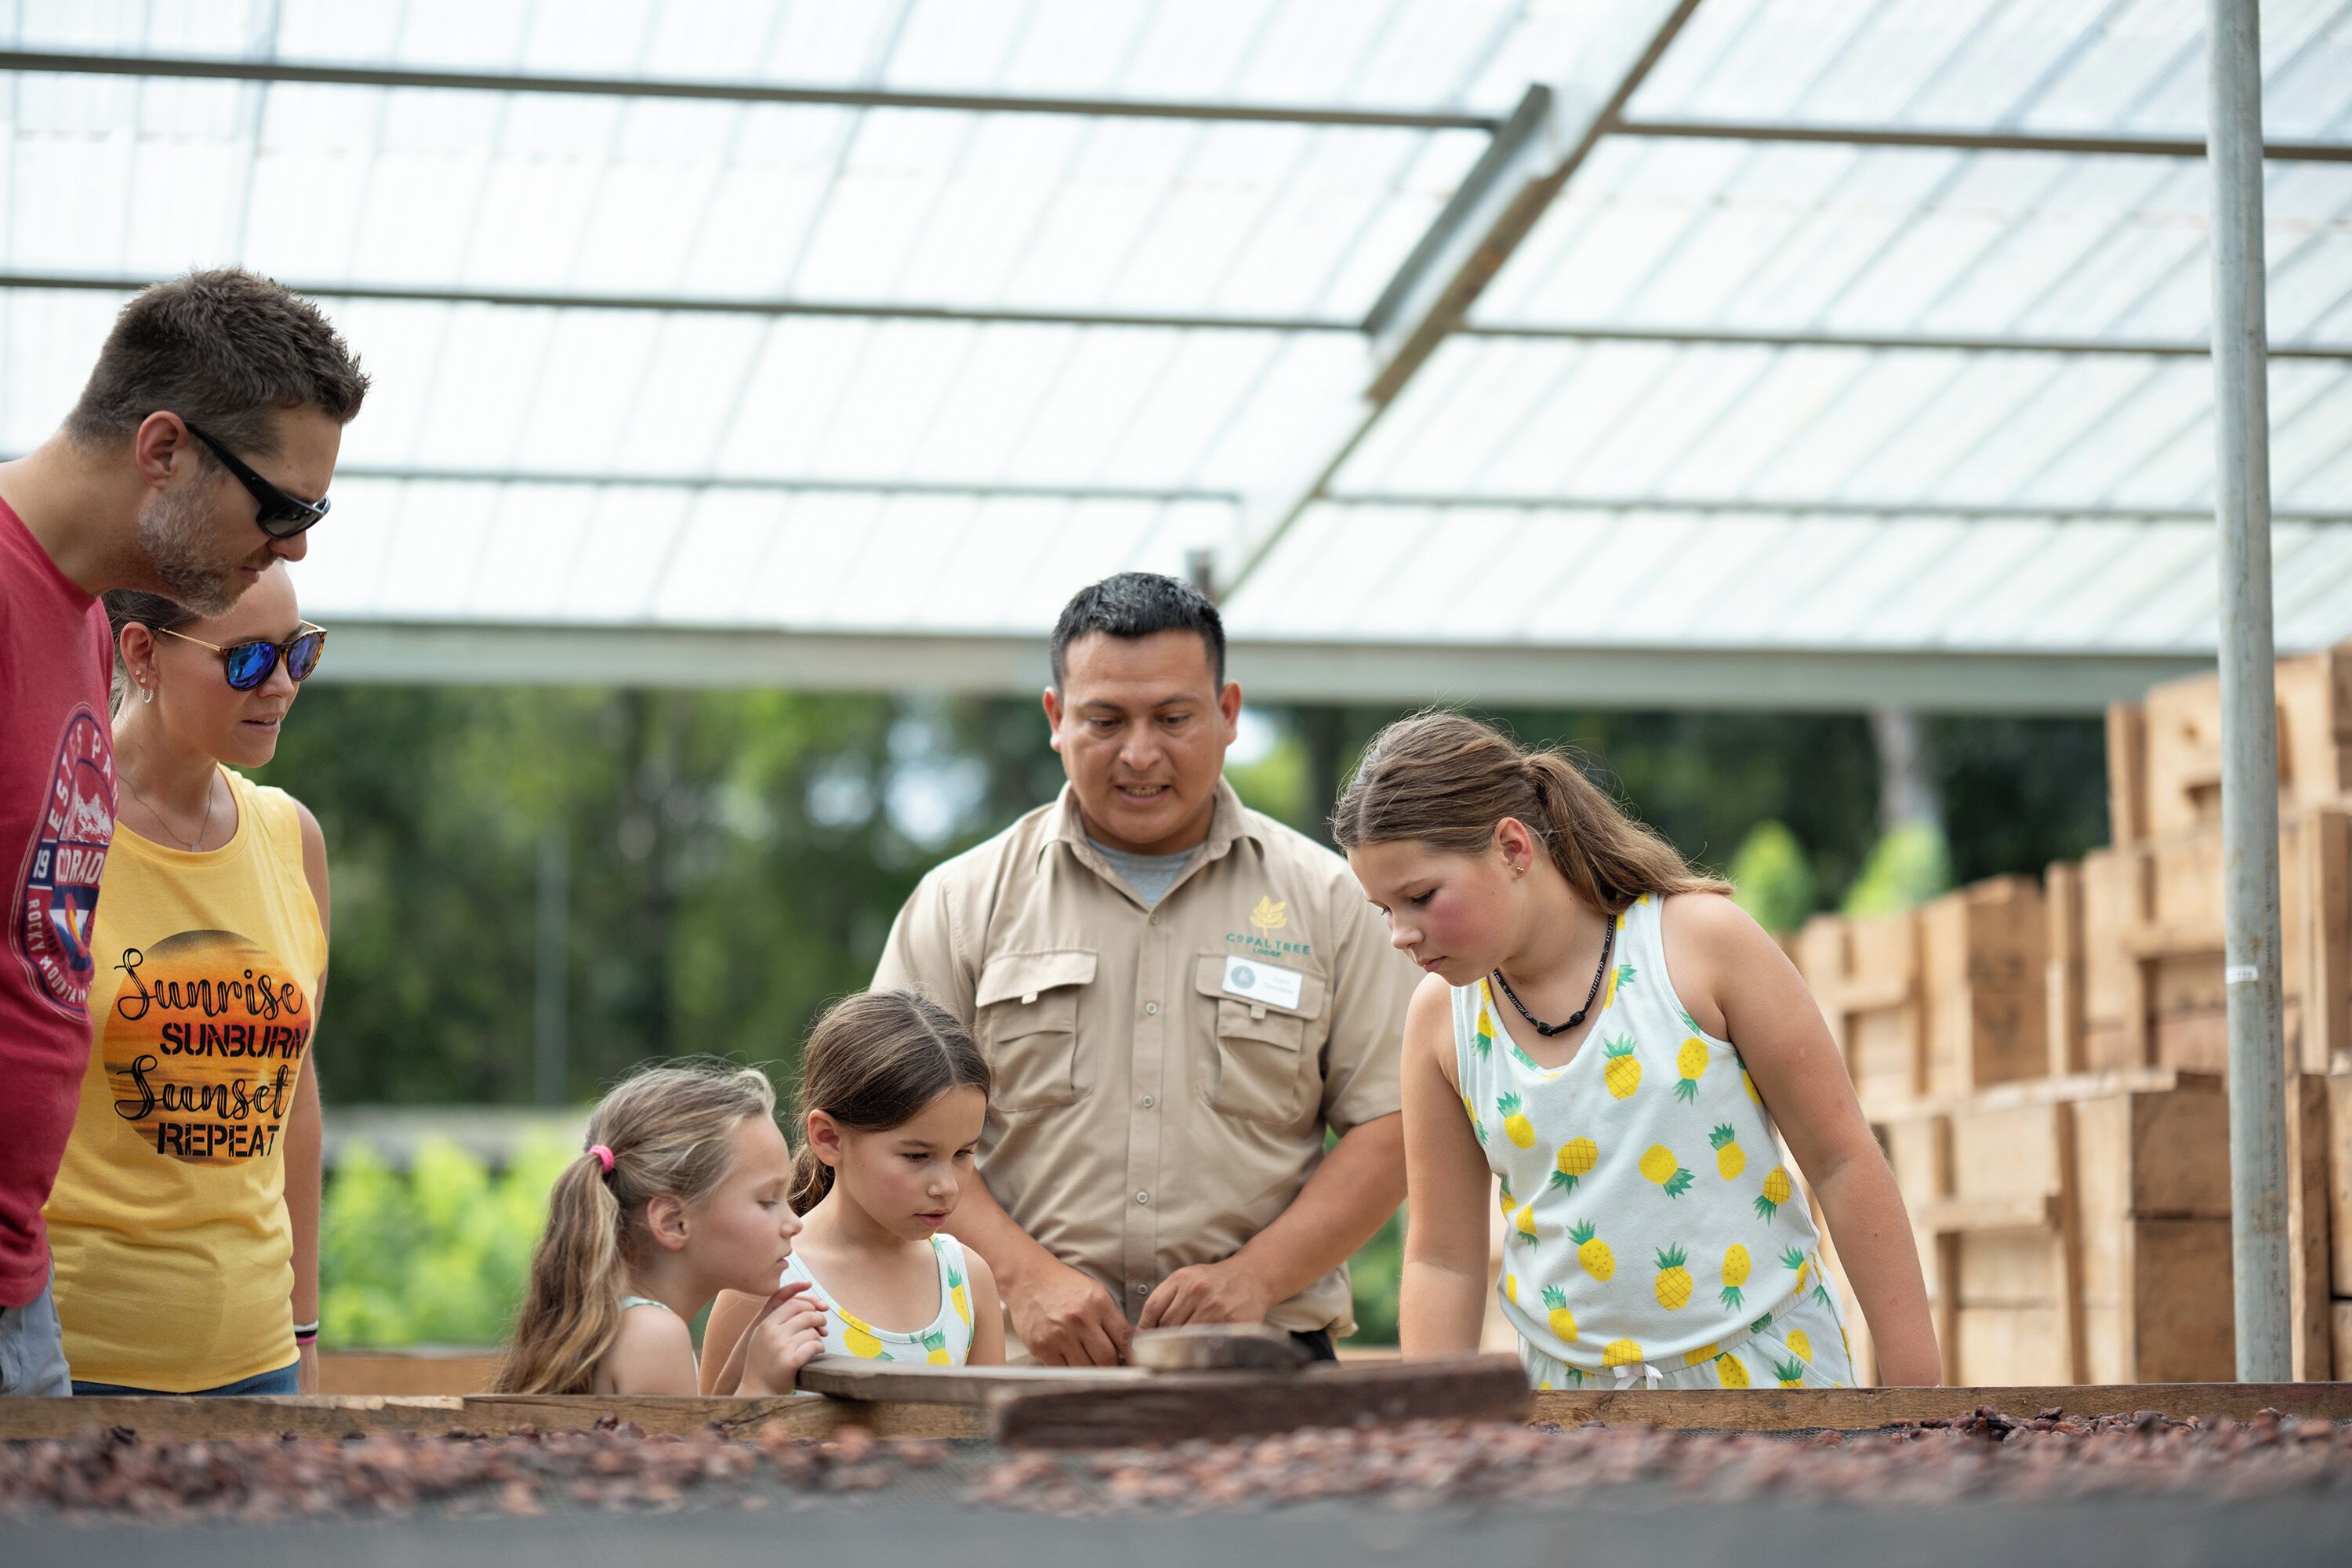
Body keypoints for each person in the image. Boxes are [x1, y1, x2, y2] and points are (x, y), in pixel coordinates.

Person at [873, 572, 1418, 1365]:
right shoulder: (961, 903)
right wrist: (1022, 1279)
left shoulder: (1333, 900)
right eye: (1105, 719)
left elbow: (1393, 1125)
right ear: (1057, 718)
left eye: (1173, 717)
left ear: (1228, 713)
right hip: (1007, 1356)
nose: (1140, 752)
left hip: (1262, 1362)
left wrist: (1255, 1278)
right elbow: (887, 1130)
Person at [0, 269, 365, 1397]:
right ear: (164, 449)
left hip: (31, 1302)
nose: (294, 547)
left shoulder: (66, 625)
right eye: (280, 506)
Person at [1334, 713, 1941, 1390]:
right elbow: (1443, 1259)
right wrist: (1431, 1431)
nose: (1401, 935)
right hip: (1569, 1414)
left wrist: (1918, 1398)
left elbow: (1841, 1161)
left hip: (1774, 1384)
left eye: (1419, 897)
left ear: (1512, 847)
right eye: (1383, 910)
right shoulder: (1439, 1020)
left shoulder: (1700, 944)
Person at [43, 568, 331, 1396]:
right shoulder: (53, 829)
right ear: (143, 653)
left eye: (298, 651)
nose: (280, 683)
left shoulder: (291, 837)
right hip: (74, 1361)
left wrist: (303, 1329)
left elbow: (296, 1102)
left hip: (259, 1359)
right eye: (246, 660)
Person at [702, 991, 1004, 1378]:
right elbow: (710, 1434)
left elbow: (989, 1438)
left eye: (964, 1153)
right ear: (829, 1139)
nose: (946, 1186)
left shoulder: (968, 1280)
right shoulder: (764, 1283)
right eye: (916, 1156)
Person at [493, 1062, 828, 1397]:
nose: (794, 1223)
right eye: (767, 1201)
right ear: (672, 1222)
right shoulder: (654, 1337)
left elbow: (682, 1437)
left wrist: (739, 1373)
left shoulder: (622, 1322)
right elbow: (684, 1453)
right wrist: (761, 1386)